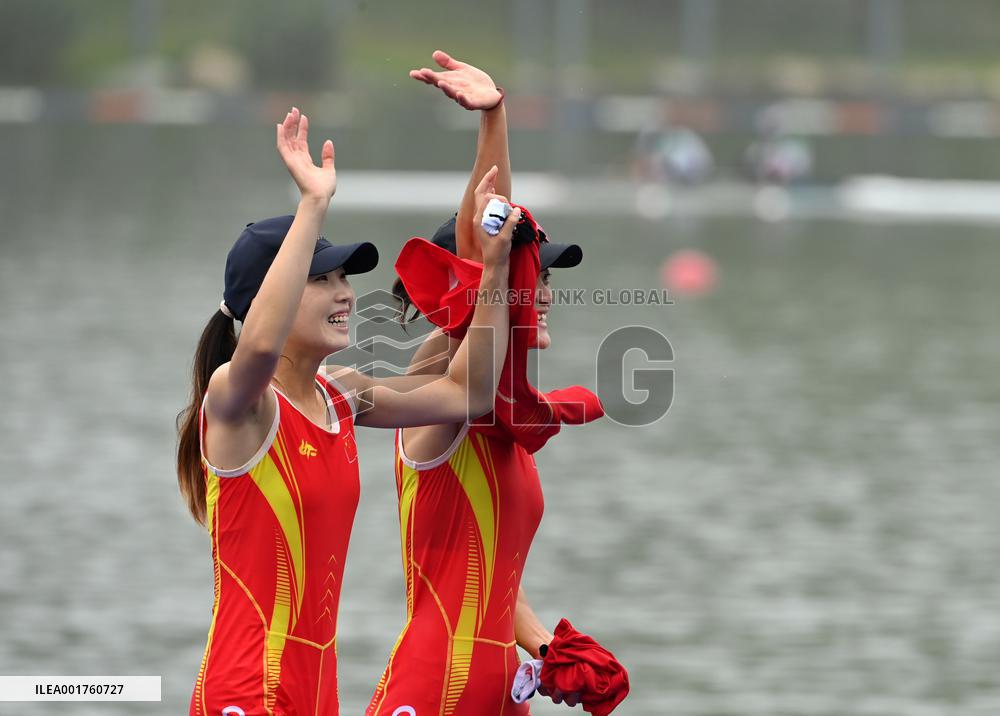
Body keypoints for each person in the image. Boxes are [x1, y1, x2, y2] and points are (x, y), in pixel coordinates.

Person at [176, 106, 520, 716]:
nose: (344, 293)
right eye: (321, 278)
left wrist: (494, 268)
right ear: (265, 301)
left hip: (317, 693)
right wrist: (312, 203)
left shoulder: (343, 395)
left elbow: (467, 392)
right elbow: (258, 345)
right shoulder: (240, 402)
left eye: (343, 276)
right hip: (246, 690)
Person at [367, 51, 602, 716]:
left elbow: (499, 581)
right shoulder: (439, 396)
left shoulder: (504, 410)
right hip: (433, 691)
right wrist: (493, 121)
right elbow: (478, 265)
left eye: (545, 277)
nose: (544, 292)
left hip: (502, 695)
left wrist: (550, 648)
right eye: (532, 275)